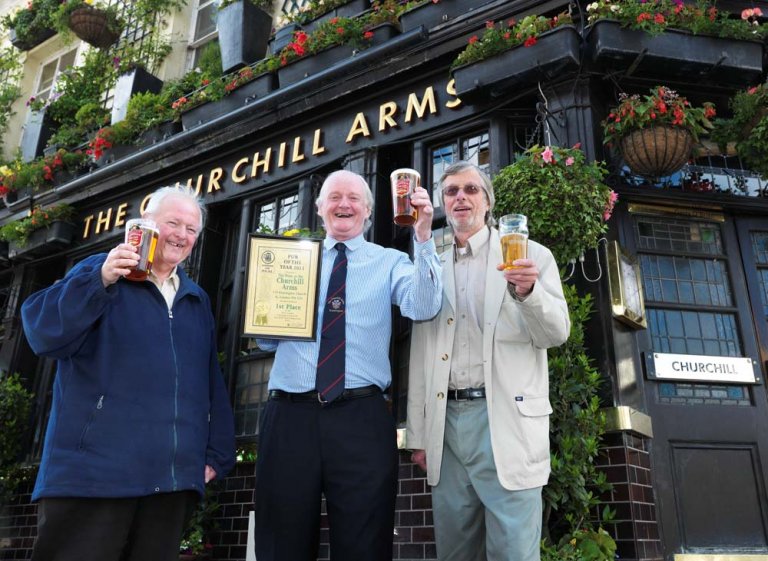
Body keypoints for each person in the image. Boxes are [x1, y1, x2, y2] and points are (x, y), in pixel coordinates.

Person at [21, 187, 236, 561]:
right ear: (144, 224)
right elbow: (42, 332)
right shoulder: (98, 272)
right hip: (93, 478)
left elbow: (209, 381)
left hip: (168, 485)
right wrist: (100, 279)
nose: (181, 235)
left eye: (191, 229)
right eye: (173, 223)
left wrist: (217, 454)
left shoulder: (195, 299)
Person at [254, 169, 442, 561]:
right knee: (281, 541)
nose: (344, 204)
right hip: (290, 416)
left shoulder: (391, 260)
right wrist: (272, 304)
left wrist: (423, 235)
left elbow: (423, 306)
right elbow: (265, 339)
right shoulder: (292, 260)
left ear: (369, 211)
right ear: (320, 209)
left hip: (362, 416)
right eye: (334, 197)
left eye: (354, 198)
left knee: (365, 543)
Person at [406, 161, 571, 561]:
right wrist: (418, 432)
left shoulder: (532, 255)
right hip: (446, 428)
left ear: (487, 202)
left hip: (506, 422)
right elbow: (422, 349)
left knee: (513, 551)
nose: (460, 197)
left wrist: (529, 291)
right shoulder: (431, 263)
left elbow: (556, 333)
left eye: (471, 190)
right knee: (454, 551)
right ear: (443, 205)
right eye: (451, 192)